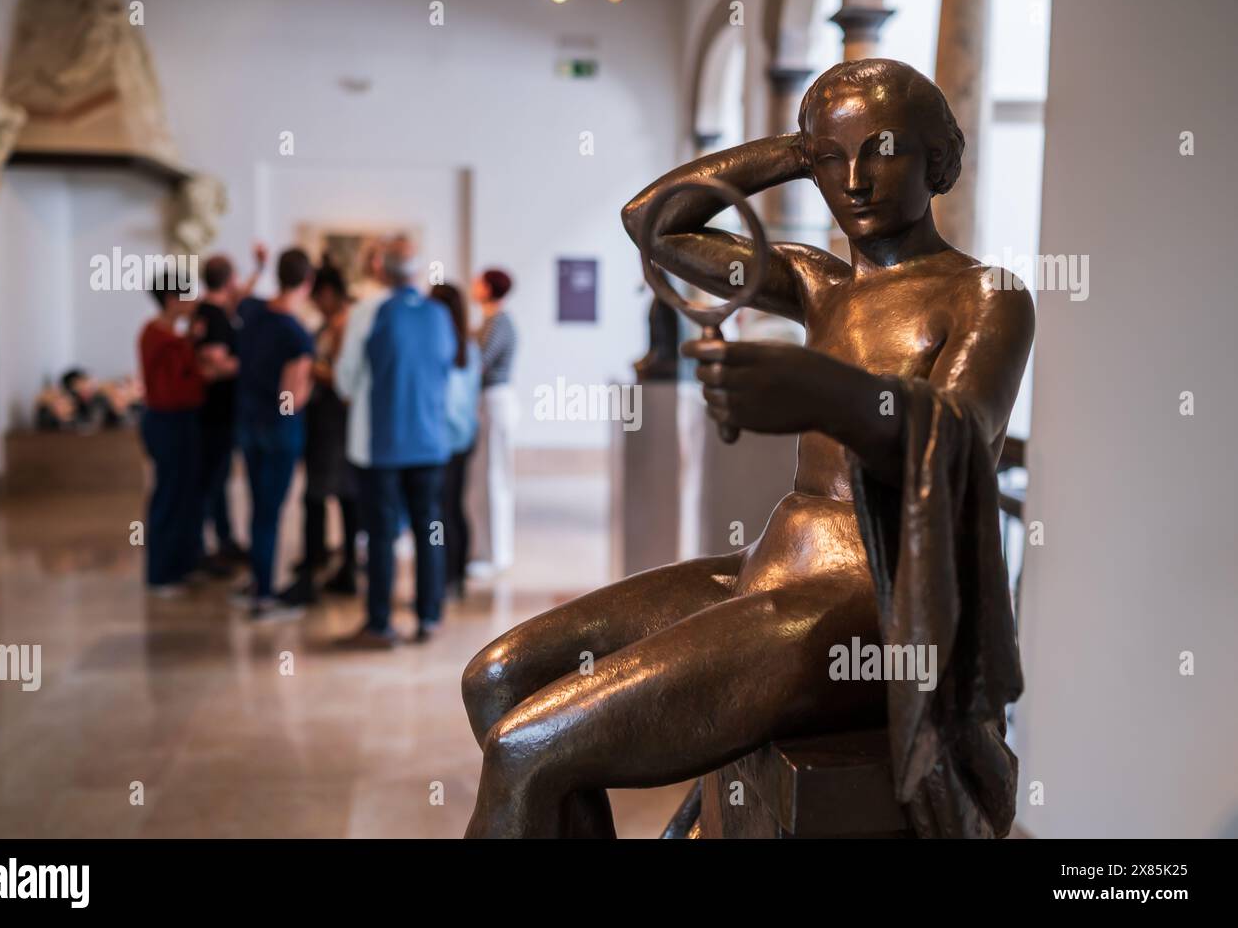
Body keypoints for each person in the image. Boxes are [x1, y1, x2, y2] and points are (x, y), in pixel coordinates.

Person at [461, 59, 1034, 837]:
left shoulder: (984, 294)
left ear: (938, 158)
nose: (855, 179)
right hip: (775, 565)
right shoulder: (819, 283)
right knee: (498, 681)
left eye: (883, 149)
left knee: (528, 750)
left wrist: (823, 391)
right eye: (835, 160)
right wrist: (795, 150)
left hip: (873, 591)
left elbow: (960, 432)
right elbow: (652, 222)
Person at [342, 242, 456, 648]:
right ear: (417, 271)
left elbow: (345, 378)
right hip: (430, 441)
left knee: (381, 533)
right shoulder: (440, 315)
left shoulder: (366, 312)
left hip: (381, 444)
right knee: (431, 530)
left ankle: (380, 624)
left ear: (382, 271)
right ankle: (430, 617)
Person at [234, 248, 315, 619]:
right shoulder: (296, 333)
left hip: (248, 423)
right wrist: (310, 387)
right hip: (278, 429)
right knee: (270, 511)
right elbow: (291, 396)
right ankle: (264, 594)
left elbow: (237, 295)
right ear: (307, 282)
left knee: (256, 507)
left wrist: (258, 268)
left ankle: (257, 579)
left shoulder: (252, 312)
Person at [280, 263, 359, 606]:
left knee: (323, 496)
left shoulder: (344, 324)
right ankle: (338, 565)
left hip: (334, 423)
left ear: (327, 293)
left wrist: (309, 367)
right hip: (329, 422)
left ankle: (317, 569)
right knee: (341, 497)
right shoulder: (335, 323)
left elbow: (342, 378)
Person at [137, 274, 205, 597]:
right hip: (168, 421)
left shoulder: (170, 337)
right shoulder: (159, 338)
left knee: (184, 494)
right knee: (168, 493)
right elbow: (176, 387)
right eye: (185, 297)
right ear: (170, 299)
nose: (191, 303)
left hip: (179, 420)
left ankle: (179, 565)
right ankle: (160, 573)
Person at [193, 250, 260, 568]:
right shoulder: (215, 317)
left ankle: (223, 539)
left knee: (218, 481)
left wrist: (259, 267)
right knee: (213, 480)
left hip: (217, 411)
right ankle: (204, 547)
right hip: (217, 412)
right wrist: (251, 360)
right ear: (229, 279)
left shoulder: (210, 311)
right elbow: (213, 365)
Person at [431, 282, 482, 599]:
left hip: (442, 437)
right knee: (454, 508)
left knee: (440, 512)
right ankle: (456, 574)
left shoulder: (441, 346)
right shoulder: (469, 346)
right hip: (463, 436)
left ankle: (446, 575)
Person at [469, 268, 518, 576]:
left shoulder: (499, 323)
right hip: (489, 401)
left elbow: (480, 362)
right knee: (486, 477)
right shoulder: (489, 322)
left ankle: (495, 555)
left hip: (496, 401)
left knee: (494, 476)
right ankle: (486, 550)